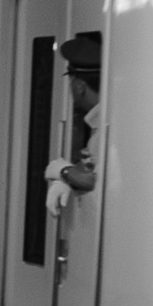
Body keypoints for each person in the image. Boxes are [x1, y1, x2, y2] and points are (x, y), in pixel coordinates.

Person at [45, 33, 103, 217]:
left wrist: (63, 171)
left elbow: (94, 179)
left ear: (79, 86)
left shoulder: (104, 132)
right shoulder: (101, 121)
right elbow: (89, 168)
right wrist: (70, 181)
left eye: (70, 80)